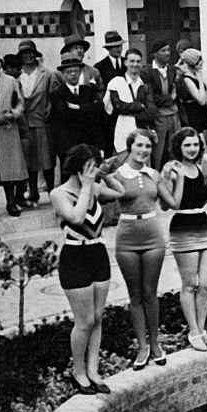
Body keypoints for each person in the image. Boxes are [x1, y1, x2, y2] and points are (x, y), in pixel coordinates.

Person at [50, 144, 124, 395]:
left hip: (98, 253)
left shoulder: (95, 186)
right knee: (84, 321)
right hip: (75, 256)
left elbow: (119, 191)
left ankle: (94, 370)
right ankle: (78, 372)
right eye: (90, 165)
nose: (93, 170)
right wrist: (86, 187)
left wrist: (106, 174)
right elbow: (76, 218)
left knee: (98, 317)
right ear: (78, 167)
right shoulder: (59, 193)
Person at [111, 129, 175, 370]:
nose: (143, 151)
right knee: (135, 295)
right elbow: (106, 197)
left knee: (150, 292)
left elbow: (171, 204)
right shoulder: (117, 174)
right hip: (127, 234)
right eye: (139, 145)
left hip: (152, 234)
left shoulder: (153, 174)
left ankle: (156, 343)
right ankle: (142, 346)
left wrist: (169, 178)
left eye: (147, 147)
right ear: (130, 147)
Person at [162, 128, 207, 352]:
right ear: (179, 146)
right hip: (182, 228)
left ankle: (202, 328)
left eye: (195, 145)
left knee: (206, 283)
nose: (192, 149)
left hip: (204, 225)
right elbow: (167, 205)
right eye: (187, 145)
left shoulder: (198, 168)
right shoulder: (173, 169)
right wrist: (173, 179)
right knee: (190, 284)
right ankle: (193, 331)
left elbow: (203, 198)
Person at [50, 52, 104, 176]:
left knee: (89, 174)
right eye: (69, 72)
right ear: (63, 75)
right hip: (68, 143)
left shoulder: (88, 91)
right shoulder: (57, 94)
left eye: (76, 71)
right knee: (69, 175)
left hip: (87, 140)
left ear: (80, 73)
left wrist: (78, 107)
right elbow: (64, 115)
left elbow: (97, 112)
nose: (73, 74)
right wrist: (86, 110)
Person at [17, 40, 57, 206]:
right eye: (24, 53)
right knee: (29, 159)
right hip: (22, 122)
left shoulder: (46, 73)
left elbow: (53, 94)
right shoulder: (16, 74)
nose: (28, 56)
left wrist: (49, 107)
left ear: (35, 54)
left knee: (46, 158)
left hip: (41, 119)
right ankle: (33, 193)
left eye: (30, 52)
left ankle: (51, 191)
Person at [139, 40, 180, 168]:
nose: (167, 53)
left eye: (168, 50)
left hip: (174, 114)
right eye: (163, 51)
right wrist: (170, 98)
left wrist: (179, 80)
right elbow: (152, 97)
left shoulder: (173, 70)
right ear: (154, 54)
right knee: (158, 148)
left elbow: (179, 93)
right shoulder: (147, 72)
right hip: (159, 115)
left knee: (175, 145)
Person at [105, 48, 153, 154]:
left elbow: (151, 111)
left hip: (142, 129)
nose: (135, 64)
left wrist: (131, 109)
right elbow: (118, 107)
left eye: (138, 61)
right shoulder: (117, 82)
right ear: (125, 62)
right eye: (132, 61)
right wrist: (139, 106)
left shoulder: (145, 85)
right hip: (121, 129)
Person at [0, 56, 28, 216]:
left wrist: (14, 113)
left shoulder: (10, 81)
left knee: (9, 166)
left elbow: (20, 101)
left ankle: (11, 202)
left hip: (7, 129)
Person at [95, 31, 127, 155]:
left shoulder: (127, 63)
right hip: (109, 113)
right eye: (114, 47)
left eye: (119, 46)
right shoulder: (100, 67)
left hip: (126, 109)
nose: (118, 49)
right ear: (108, 49)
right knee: (109, 142)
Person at [176, 48, 207, 141]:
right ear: (195, 63)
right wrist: (200, 79)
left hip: (201, 114)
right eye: (200, 60)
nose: (202, 62)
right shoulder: (188, 79)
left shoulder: (193, 76)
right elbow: (201, 100)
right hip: (194, 115)